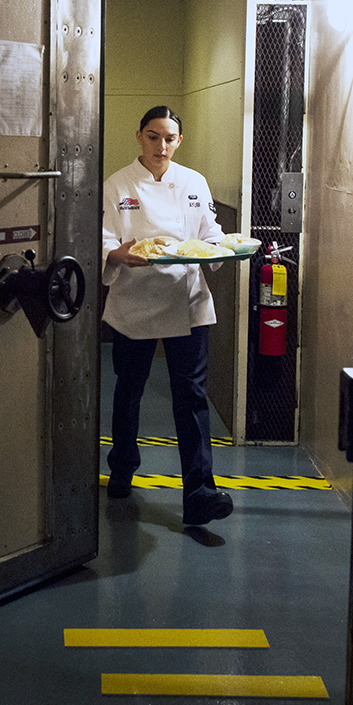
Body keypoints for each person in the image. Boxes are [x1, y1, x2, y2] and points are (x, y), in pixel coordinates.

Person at [100, 106, 235, 526]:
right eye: (154, 136)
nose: (162, 146)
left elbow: (207, 232)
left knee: (191, 397)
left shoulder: (193, 181)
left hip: (187, 302)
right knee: (130, 389)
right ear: (139, 136)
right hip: (134, 303)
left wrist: (223, 247)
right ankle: (122, 464)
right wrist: (116, 254)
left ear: (180, 141)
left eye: (170, 138)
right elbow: (105, 237)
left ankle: (200, 492)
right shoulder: (117, 184)